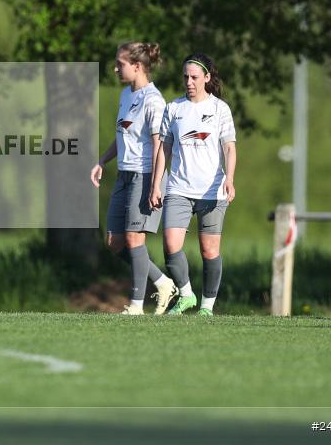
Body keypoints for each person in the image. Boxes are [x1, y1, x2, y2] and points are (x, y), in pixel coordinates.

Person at [91, 42, 178, 315]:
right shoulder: (125, 96)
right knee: (115, 242)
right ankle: (163, 282)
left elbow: (158, 145)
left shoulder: (154, 100)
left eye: (121, 63)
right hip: (124, 176)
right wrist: (102, 160)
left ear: (138, 66)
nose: (116, 68)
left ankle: (137, 305)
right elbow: (122, 136)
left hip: (145, 175)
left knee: (134, 239)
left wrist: (155, 185)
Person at [148, 53, 237, 316]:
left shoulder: (220, 109)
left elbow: (230, 148)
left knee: (209, 250)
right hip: (178, 189)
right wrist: (156, 185)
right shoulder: (173, 109)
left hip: (212, 191)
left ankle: (207, 307)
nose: (189, 81)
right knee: (170, 245)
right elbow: (164, 149)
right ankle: (186, 295)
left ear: (207, 78)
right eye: (185, 76)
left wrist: (230, 179)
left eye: (194, 77)